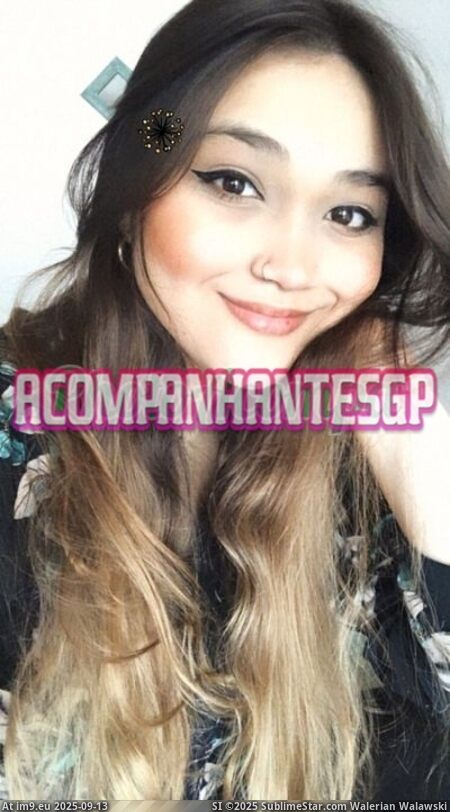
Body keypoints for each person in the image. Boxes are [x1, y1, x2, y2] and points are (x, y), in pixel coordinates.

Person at [1, 0, 450, 801]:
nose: (293, 267)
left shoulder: (357, 460)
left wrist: (429, 483)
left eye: (350, 214)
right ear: (136, 192)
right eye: (234, 182)